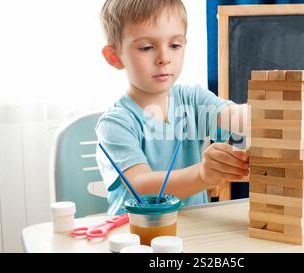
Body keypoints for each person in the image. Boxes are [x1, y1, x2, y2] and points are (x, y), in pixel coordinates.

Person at [96, 0, 249, 215]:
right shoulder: (115, 123)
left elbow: (239, 119)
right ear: (114, 57)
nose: (164, 58)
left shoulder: (193, 98)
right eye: (147, 47)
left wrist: (238, 146)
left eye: (175, 45)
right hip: (137, 237)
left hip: (194, 232)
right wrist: (202, 175)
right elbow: (141, 184)